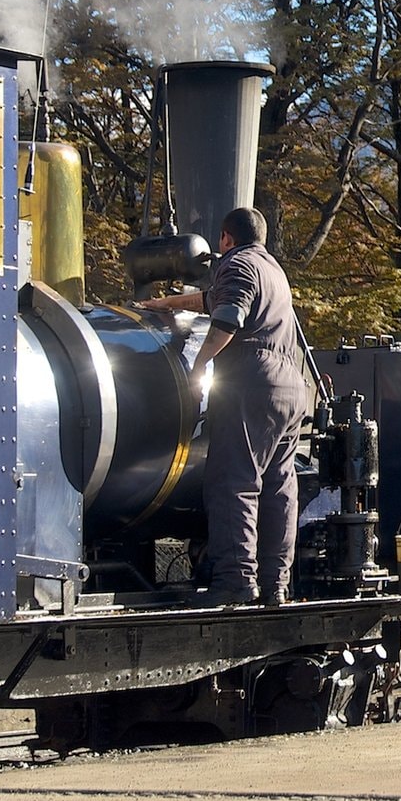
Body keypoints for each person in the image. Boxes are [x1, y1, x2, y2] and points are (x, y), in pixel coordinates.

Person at [139, 207, 312, 606]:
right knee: (279, 488)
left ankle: (235, 580)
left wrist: (200, 364)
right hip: (290, 387)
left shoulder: (237, 264)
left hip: (252, 382)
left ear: (225, 238)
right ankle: (275, 585)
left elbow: (227, 318)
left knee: (233, 482)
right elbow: (211, 299)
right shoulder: (271, 271)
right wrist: (166, 303)